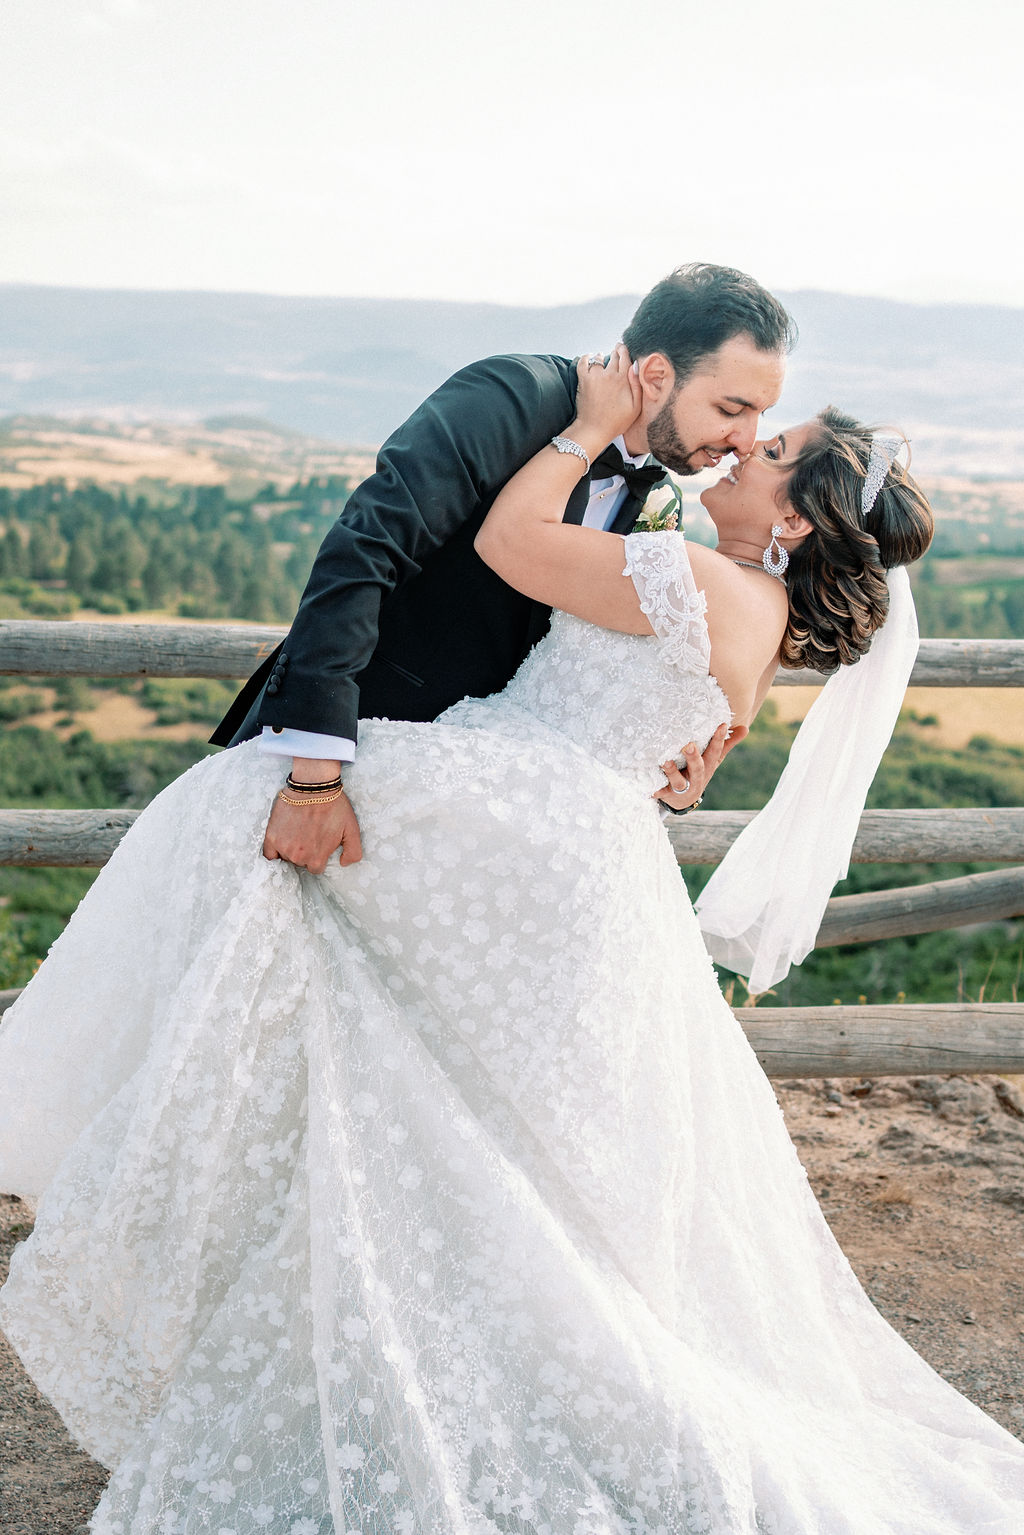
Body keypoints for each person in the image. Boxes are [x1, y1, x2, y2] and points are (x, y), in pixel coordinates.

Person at [3, 353, 1024, 1535]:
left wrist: (585, 427)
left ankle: (128, 1174)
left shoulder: (701, 575)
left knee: (241, 816)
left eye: (773, 447)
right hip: (568, 849)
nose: (747, 448)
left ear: (792, 517)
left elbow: (511, 546)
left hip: (522, 823)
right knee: (445, 1109)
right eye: (747, 420)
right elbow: (686, 731)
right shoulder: (757, 604)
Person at [209, 261, 796, 872]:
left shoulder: (656, 490)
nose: (748, 439)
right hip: (339, 762)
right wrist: (313, 781)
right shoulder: (514, 397)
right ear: (655, 374)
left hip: (454, 826)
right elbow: (363, 551)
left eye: (761, 415)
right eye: (734, 408)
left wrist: (671, 775)